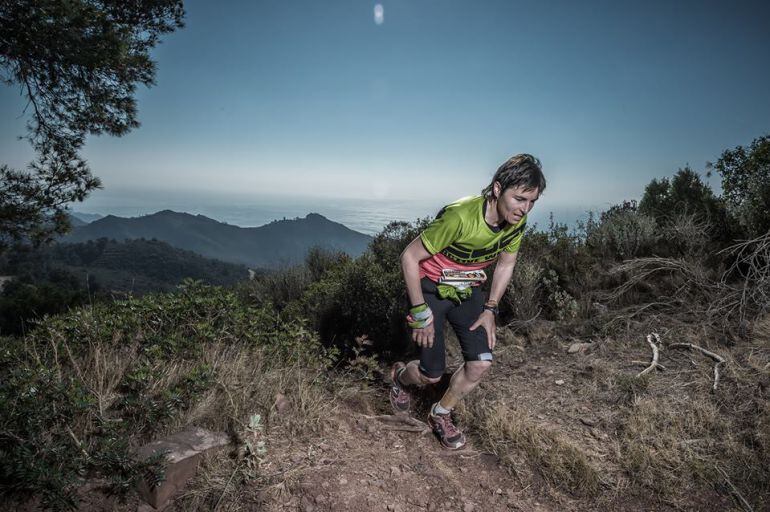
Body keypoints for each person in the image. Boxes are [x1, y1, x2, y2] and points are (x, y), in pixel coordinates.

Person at [391, 154, 546, 449]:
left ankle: (440, 414)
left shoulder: (517, 222)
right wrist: (420, 313)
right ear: (498, 189)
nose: (525, 209)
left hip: (467, 291)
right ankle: (400, 377)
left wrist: (490, 309)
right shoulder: (460, 216)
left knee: (480, 364)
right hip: (430, 290)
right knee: (430, 374)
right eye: (519, 199)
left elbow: (505, 264)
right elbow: (409, 257)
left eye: (532, 202)